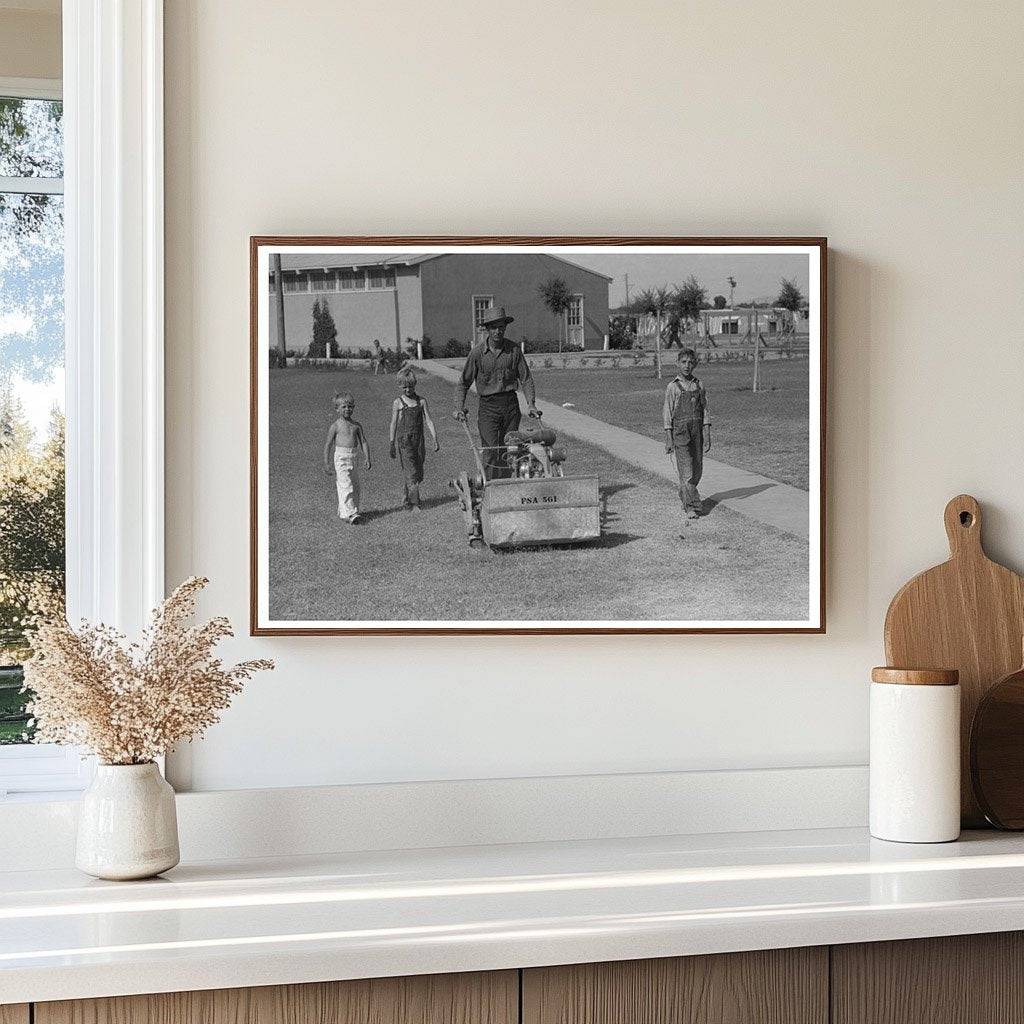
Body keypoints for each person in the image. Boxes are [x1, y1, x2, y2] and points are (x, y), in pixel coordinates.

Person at [454, 306, 539, 479]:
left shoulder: (514, 350)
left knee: (511, 450)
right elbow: (463, 383)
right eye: (494, 327)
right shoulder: (477, 353)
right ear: (487, 329)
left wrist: (531, 404)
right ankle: (491, 491)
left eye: (501, 326)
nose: (498, 331)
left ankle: (507, 490)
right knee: (491, 450)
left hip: (510, 406)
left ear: (505, 327)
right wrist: (458, 407)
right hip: (488, 408)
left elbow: (526, 379)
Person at [663, 348, 712, 520]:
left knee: (697, 469)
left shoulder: (700, 385)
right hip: (680, 432)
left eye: (690, 362)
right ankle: (691, 506)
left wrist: (707, 433)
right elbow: (667, 414)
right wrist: (669, 439)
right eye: (683, 362)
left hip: (697, 430)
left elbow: (705, 410)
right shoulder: (672, 387)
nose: (687, 366)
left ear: (695, 364)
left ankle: (685, 492)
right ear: (677, 363)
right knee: (687, 471)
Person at [389, 369, 439, 510]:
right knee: (411, 472)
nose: (408, 389)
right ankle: (415, 503)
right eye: (404, 387)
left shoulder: (421, 402)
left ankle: (406, 499)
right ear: (400, 386)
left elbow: (428, 420)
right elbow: (393, 423)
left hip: (418, 442)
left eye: (410, 386)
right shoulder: (398, 403)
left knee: (416, 471)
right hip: (404, 441)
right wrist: (391, 443)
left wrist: (435, 438)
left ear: (415, 384)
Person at [323, 392, 371, 524]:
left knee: (355, 486)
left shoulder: (356, 426)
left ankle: (345, 510)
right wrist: (326, 463)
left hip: (353, 457)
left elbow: (364, 442)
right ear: (337, 409)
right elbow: (328, 444)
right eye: (343, 407)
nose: (347, 409)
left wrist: (367, 458)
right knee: (345, 485)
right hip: (341, 458)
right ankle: (351, 514)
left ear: (353, 407)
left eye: (350, 406)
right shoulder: (335, 426)